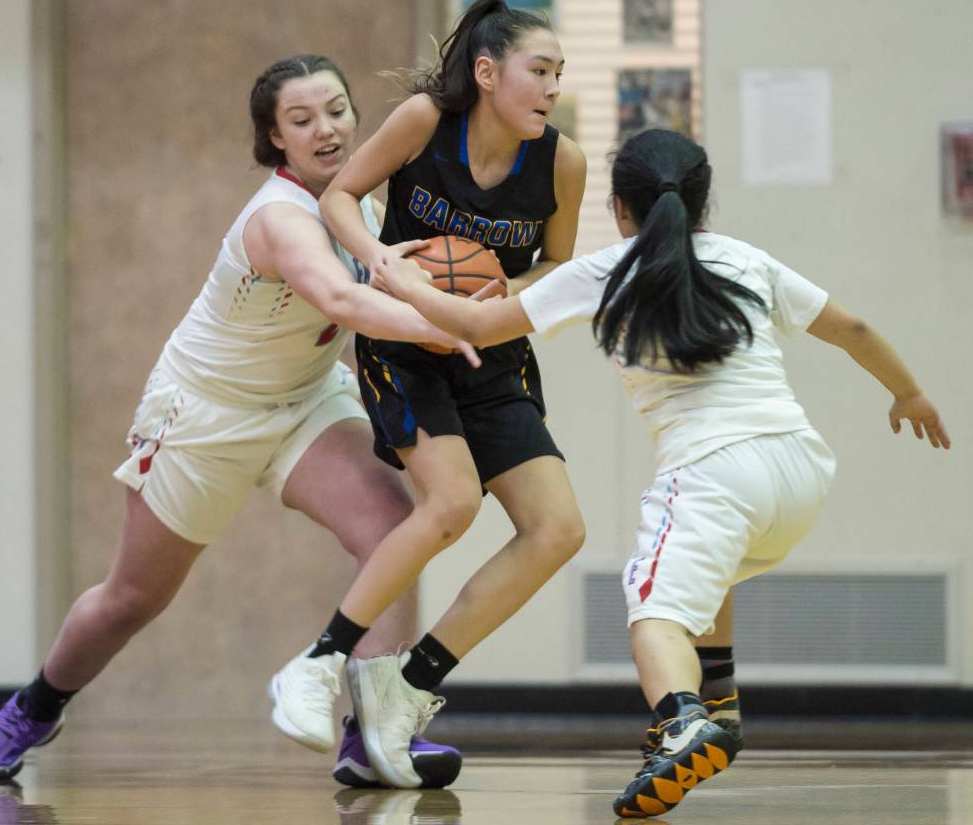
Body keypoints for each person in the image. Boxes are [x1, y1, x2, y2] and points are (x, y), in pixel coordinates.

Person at [374, 127, 951, 817]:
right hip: (800, 468)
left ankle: (681, 721)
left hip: (714, 473)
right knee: (713, 569)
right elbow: (850, 328)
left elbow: (478, 323)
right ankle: (719, 699)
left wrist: (398, 277)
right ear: (701, 203)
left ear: (619, 209)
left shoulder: (603, 269)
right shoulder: (746, 258)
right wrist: (908, 392)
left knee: (653, 612)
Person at [0, 55, 467, 789]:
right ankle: (38, 704)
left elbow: (389, 281)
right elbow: (347, 302)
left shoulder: (362, 209)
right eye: (302, 120)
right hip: (205, 414)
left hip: (305, 400)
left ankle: (371, 736)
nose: (325, 129)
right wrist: (447, 324)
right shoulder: (277, 219)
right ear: (275, 139)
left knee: (393, 531)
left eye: (335, 109)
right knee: (134, 598)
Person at [268, 0, 588, 789]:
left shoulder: (563, 163)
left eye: (558, 74)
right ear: (487, 73)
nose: (550, 88)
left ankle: (409, 684)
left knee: (558, 529)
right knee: (451, 503)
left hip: (491, 349)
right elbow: (340, 195)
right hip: (405, 345)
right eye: (537, 71)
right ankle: (318, 664)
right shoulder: (422, 121)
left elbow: (557, 265)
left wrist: (504, 304)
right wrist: (387, 263)